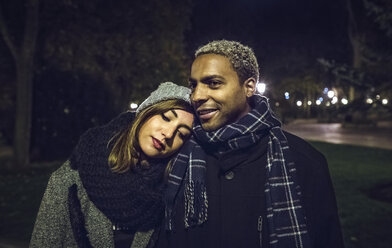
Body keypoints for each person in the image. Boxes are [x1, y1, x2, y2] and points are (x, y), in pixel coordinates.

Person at [157, 41, 344, 247]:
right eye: (194, 85)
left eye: (213, 83)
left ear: (249, 87)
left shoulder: (304, 162)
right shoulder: (176, 156)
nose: (197, 96)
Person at [30, 82, 194, 248]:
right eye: (166, 118)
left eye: (181, 134)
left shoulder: (170, 194)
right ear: (144, 112)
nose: (168, 134)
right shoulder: (71, 179)